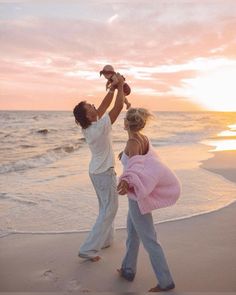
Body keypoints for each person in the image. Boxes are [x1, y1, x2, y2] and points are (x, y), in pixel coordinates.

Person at [117, 108, 181, 292]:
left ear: (127, 124)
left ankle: (166, 281)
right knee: (132, 233)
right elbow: (140, 160)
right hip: (136, 196)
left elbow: (135, 168)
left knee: (149, 239)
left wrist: (125, 182)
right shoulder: (142, 138)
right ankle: (128, 269)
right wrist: (124, 156)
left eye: (125, 119)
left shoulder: (132, 142)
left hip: (136, 197)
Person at [73, 73, 126, 262]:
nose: (95, 106)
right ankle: (88, 249)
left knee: (105, 206)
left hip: (96, 171)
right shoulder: (99, 127)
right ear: (88, 115)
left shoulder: (89, 126)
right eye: (90, 107)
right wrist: (120, 86)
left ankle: (105, 240)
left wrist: (112, 88)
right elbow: (118, 107)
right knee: (110, 208)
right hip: (103, 172)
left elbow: (104, 107)